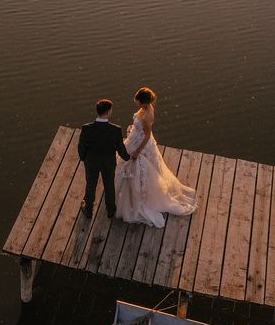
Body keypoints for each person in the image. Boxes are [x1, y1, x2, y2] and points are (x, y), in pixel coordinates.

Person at [115, 87, 197, 228]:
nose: (136, 104)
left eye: (138, 101)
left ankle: (139, 196)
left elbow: (146, 135)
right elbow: (142, 130)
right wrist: (134, 130)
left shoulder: (146, 117)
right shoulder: (148, 108)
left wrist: (137, 151)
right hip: (137, 138)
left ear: (144, 103)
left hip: (142, 145)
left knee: (138, 169)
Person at [77, 99, 130, 219]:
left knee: (91, 184)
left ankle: (88, 209)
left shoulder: (87, 128)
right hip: (108, 163)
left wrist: (83, 157)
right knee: (109, 185)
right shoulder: (115, 130)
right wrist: (128, 158)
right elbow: (120, 148)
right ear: (108, 112)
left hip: (91, 162)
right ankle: (110, 210)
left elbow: (81, 146)